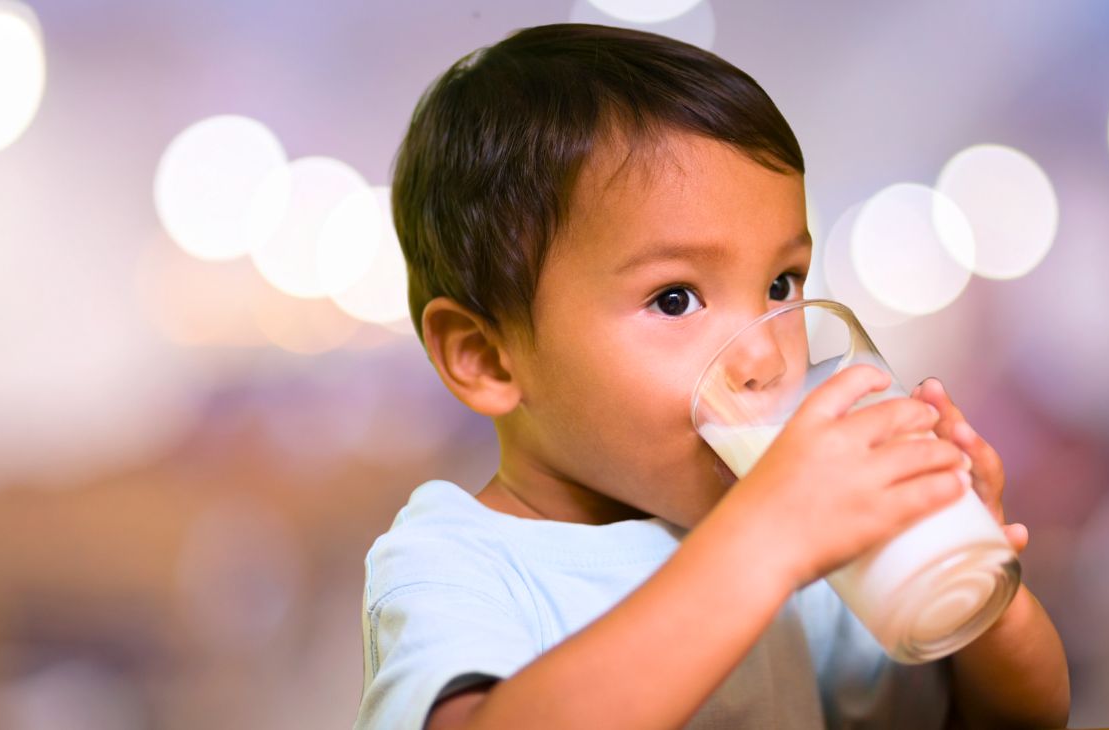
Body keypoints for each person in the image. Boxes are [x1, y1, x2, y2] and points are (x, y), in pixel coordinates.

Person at [355, 23, 1069, 730]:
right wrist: (764, 545)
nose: (766, 357)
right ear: (487, 357)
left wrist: (974, 581)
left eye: (781, 286)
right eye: (675, 298)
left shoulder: (802, 542)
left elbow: (1015, 717)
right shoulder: (456, 560)